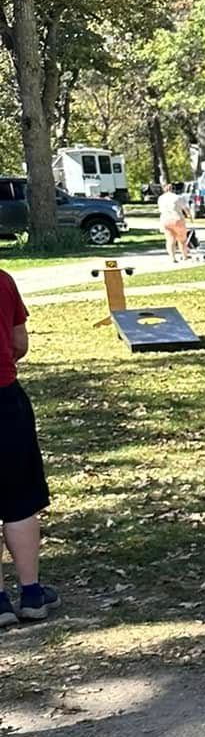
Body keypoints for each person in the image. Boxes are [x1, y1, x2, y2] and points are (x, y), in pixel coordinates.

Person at [0, 266, 59, 628]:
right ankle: (32, 591)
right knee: (19, 499)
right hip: (5, 399)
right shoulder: (3, 281)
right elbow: (20, 342)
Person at [156, 184, 191, 265]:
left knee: (170, 239)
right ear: (173, 189)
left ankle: (172, 258)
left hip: (165, 220)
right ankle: (184, 256)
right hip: (177, 219)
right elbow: (185, 208)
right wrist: (189, 215)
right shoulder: (177, 197)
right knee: (182, 239)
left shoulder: (160, 198)